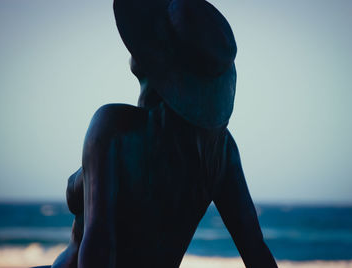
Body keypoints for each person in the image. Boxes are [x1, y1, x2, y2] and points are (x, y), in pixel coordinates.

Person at [38, 0, 278, 267]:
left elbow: (99, 244)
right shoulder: (220, 151)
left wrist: (80, 181)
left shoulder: (113, 127)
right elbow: (255, 249)